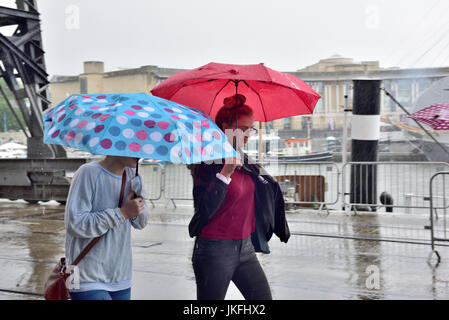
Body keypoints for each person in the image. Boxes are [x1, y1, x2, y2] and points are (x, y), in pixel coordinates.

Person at [188, 94, 290, 300]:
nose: (248, 134)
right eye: (242, 129)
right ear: (225, 126)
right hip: (214, 248)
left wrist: (277, 223)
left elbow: (266, 190)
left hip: (245, 247)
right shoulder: (207, 160)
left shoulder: (244, 159)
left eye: (251, 128)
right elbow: (204, 208)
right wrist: (224, 174)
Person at [65, 156, 150, 300]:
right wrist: (122, 213)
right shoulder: (88, 173)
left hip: (120, 276)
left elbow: (140, 223)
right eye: (134, 145)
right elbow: (75, 224)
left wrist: (138, 204)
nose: (140, 153)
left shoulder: (132, 175)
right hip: (85, 277)